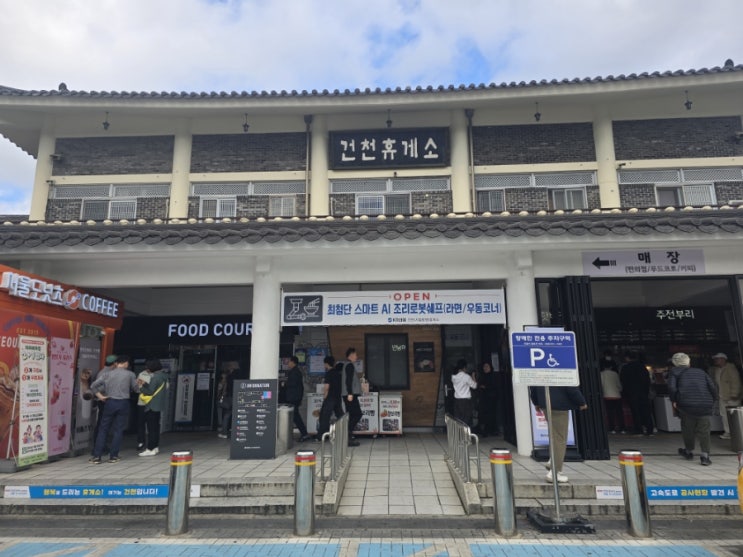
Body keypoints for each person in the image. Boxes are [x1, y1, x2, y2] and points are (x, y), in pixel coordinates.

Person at [530, 385, 588, 484]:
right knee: (560, 438)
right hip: (560, 405)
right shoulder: (563, 373)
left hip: (545, 403)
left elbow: (533, 386)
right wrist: (581, 402)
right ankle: (555, 472)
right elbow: (570, 387)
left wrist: (536, 402)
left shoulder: (541, 373)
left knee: (554, 435)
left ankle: (552, 461)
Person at [668, 352, 718, 466]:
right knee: (704, 430)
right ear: (688, 362)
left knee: (688, 428)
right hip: (704, 404)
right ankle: (705, 456)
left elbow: (671, 387)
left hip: (686, 405)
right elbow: (712, 386)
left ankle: (688, 451)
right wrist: (713, 399)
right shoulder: (700, 372)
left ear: (675, 363)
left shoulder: (674, 372)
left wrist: (674, 400)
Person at [88, 355, 138, 464]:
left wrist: (100, 396)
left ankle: (97, 456)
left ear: (116, 363)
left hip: (110, 402)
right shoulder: (130, 374)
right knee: (118, 430)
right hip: (123, 402)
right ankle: (113, 456)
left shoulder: (107, 374)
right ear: (125, 363)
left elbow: (93, 386)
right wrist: (139, 384)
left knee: (103, 429)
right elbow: (136, 389)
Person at [708, 352, 742, 440]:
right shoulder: (716, 369)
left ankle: (737, 432)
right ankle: (728, 432)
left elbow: (736, 382)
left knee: (735, 416)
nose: (715, 360)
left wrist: (734, 394)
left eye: (717, 359)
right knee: (724, 416)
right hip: (722, 397)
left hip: (731, 397)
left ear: (723, 359)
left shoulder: (730, 368)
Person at [137, 359, 168, 456]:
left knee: (151, 428)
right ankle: (155, 447)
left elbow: (150, 391)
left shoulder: (155, 377)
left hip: (152, 405)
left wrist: (141, 387)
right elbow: (155, 388)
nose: (147, 369)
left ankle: (150, 448)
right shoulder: (163, 376)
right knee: (156, 427)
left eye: (148, 367)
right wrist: (145, 383)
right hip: (158, 404)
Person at [619, 351, 653, 436]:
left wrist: (625, 392)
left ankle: (639, 429)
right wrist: (646, 390)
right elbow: (647, 380)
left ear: (627, 358)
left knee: (635, 411)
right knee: (646, 411)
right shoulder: (642, 366)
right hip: (643, 392)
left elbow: (623, 380)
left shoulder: (626, 368)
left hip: (632, 392)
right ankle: (649, 430)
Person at [91, 354, 117, 451]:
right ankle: (99, 447)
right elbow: (99, 388)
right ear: (114, 364)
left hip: (106, 401)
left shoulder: (106, 372)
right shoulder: (105, 373)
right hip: (104, 401)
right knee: (103, 424)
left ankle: (101, 446)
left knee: (104, 424)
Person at [316, 356, 344, 441]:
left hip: (330, 398)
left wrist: (324, 396)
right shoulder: (338, 373)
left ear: (326, 364)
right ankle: (345, 432)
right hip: (337, 397)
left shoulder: (329, 373)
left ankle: (322, 436)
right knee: (340, 416)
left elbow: (327, 387)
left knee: (324, 417)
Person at [285, 356, 310, 442]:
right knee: (294, 416)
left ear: (293, 362)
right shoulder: (296, 371)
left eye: (289, 362)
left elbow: (293, 384)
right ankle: (303, 433)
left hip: (293, 398)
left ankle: (304, 434)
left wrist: (285, 384)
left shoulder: (294, 372)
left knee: (295, 416)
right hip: (295, 397)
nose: (288, 363)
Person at [600, 352, 625, 434]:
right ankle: (622, 428)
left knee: (610, 413)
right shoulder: (615, 374)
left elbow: (601, 385)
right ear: (611, 367)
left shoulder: (601, 374)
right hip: (617, 396)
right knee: (619, 412)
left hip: (607, 396)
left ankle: (612, 428)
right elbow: (619, 385)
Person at [342, 347, 363, 447]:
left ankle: (348, 436)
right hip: (350, 395)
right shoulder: (349, 365)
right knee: (357, 414)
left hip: (348, 394)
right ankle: (347, 436)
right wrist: (350, 393)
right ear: (351, 355)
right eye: (355, 355)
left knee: (352, 415)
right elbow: (348, 380)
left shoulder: (347, 365)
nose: (356, 357)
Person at [451, 359, 477, 426]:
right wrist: (473, 376)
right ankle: (466, 432)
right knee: (466, 420)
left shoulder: (453, 377)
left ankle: (459, 432)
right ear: (464, 367)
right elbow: (474, 386)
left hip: (457, 400)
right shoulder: (466, 376)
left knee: (458, 420)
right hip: (465, 401)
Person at [476, 361, 499, 436]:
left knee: (491, 415)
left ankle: (492, 430)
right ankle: (485, 430)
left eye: (487, 366)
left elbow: (495, 387)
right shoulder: (482, 376)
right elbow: (478, 386)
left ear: (490, 367)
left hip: (491, 399)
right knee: (484, 415)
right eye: (484, 367)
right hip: (484, 399)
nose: (485, 368)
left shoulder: (493, 376)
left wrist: (486, 387)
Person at [135, 365, 153, 452]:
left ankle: (152, 443)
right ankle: (141, 442)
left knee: (151, 424)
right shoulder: (142, 374)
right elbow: (137, 386)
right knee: (140, 423)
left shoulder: (157, 375)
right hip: (142, 402)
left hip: (153, 403)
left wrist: (145, 385)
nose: (147, 369)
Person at [216, 366, 236, 439]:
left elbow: (220, 391)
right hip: (232, 398)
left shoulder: (225, 381)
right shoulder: (232, 378)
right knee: (228, 414)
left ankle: (222, 430)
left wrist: (219, 396)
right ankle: (227, 429)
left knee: (226, 414)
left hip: (228, 399)